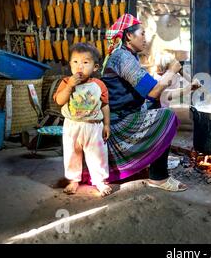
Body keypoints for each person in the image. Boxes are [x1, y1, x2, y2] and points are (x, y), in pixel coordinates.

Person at [101, 13, 192, 191]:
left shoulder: (128, 56)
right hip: (118, 122)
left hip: (125, 113)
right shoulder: (122, 57)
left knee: (158, 106)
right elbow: (153, 92)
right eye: (142, 33)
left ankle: (154, 157)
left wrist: (187, 88)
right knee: (167, 116)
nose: (145, 38)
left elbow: (154, 93)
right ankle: (159, 177)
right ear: (129, 35)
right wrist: (172, 71)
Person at [54, 43, 112, 197]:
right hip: (72, 126)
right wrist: (69, 87)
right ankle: (73, 180)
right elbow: (60, 101)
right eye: (75, 62)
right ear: (70, 65)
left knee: (98, 154)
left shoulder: (99, 85)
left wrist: (107, 124)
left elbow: (105, 105)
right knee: (72, 153)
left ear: (95, 67)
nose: (80, 66)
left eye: (85, 62)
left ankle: (100, 180)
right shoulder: (66, 82)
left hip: (93, 127)